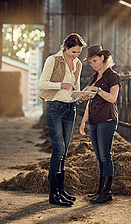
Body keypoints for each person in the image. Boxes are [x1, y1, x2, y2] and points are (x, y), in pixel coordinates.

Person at [38, 33, 86, 206]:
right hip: (55, 107)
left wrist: (81, 96)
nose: (76, 55)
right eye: (73, 52)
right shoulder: (53, 60)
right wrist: (61, 85)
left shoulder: (78, 63)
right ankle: (53, 195)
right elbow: (41, 83)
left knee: (65, 151)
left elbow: (76, 87)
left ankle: (60, 190)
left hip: (70, 108)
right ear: (65, 48)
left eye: (79, 52)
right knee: (58, 149)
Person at [79, 44, 121, 204]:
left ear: (103, 58)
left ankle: (106, 193)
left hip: (107, 119)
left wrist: (96, 90)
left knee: (105, 156)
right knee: (99, 157)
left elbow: (112, 99)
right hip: (94, 121)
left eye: (94, 60)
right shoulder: (93, 78)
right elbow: (90, 102)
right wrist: (83, 122)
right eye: (90, 62)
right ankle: (100, 191)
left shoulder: (113, 76)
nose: (93, 64)